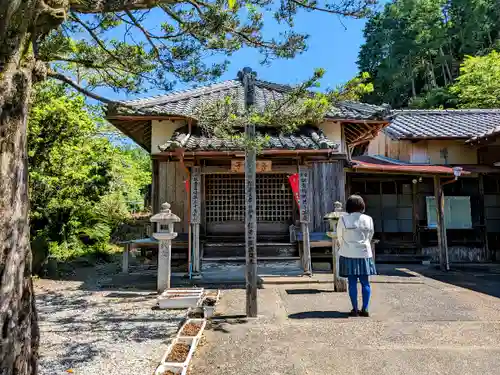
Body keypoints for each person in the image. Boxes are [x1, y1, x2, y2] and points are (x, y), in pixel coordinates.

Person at [336, 195, 376, 317]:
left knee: (352, 282)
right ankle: (365, 309)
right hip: (365, 253)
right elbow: (370, 235)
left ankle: (355, 309)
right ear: (362, 205)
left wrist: (347, 246)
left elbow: (339, 237)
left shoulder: (343, 219)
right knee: (365, 283)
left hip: (348, 253)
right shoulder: (368, 219)